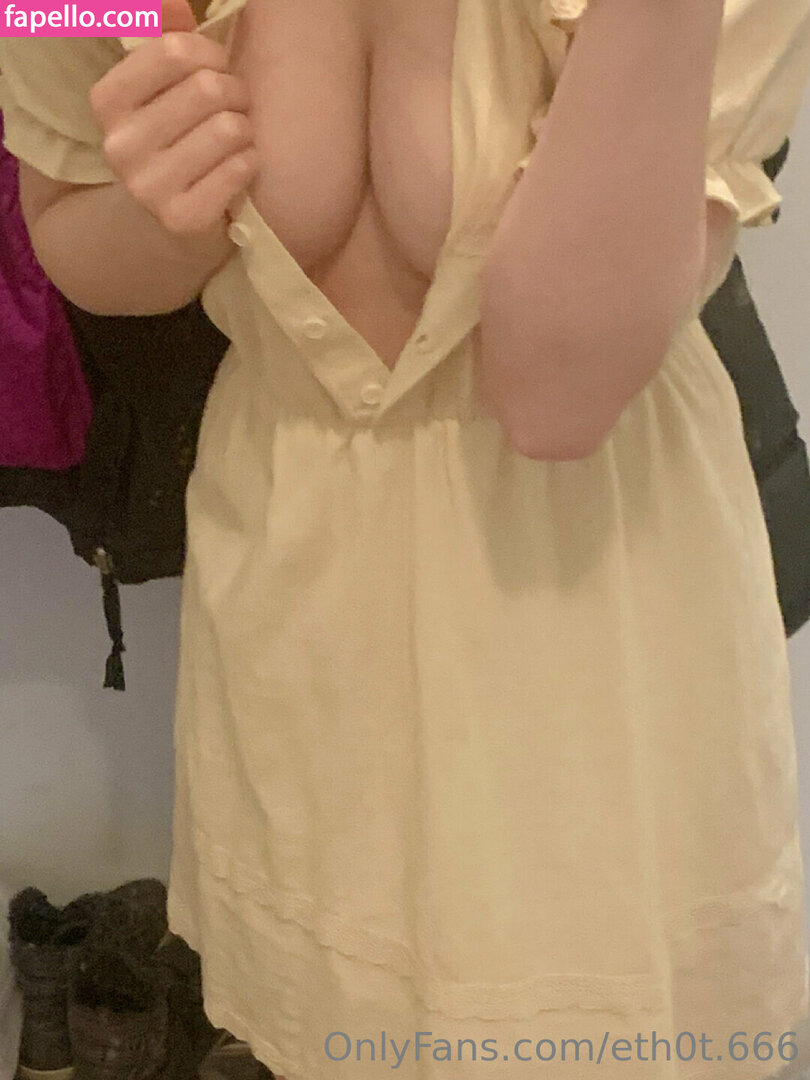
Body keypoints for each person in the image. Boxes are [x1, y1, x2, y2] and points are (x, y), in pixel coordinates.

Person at [2, 1, 810, 1077]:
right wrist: (168, 214)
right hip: (298, 597)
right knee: (330, 1036)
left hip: (595, 603)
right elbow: (64, 213)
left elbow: (557, 397)